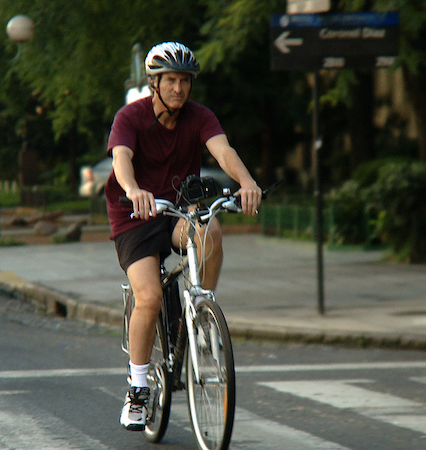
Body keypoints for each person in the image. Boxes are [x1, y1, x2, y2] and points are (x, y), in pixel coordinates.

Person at [104, 41, 262, 431]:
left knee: (209, 228)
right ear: (154, 83)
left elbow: (222, 150)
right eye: (171, 80)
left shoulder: (199, 117)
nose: (179, 88)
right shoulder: (131, 117)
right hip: (135, 215)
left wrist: (246, 181)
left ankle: (202, 309)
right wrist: (133, 190)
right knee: (151, 297)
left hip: (177, 209)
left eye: (185, 81)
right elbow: (121, 160)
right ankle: (138, 390)